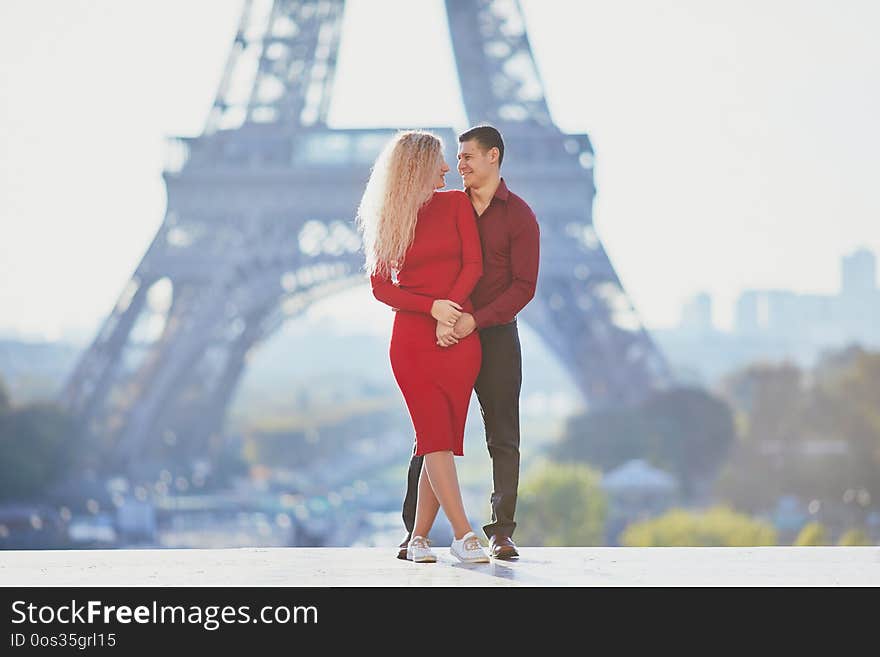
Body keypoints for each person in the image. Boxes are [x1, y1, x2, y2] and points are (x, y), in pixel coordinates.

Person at [398, 124, 540, 560]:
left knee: (502, 434)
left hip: (492, 334)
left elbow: (524, 286)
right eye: (456, 158)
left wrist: (474, 320)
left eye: (467, 157)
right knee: (431, 435)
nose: (459, 165)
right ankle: (414, 532)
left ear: (493, 156)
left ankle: (501, 531)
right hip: (443, 333)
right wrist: (443, 315)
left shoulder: (519, 216)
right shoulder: (443, 206)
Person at [357, 130, 490, 564]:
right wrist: (431, 308)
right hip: (414, 342)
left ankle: (418, 540)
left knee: (442, 440)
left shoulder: (455, 204)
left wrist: (449, 315)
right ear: (417, 165)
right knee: (435, 435)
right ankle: (464, 533)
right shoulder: (387, 217)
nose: (449, 169)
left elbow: (474, 264)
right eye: (439, 161)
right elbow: (380, 288)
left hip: (458, 339)